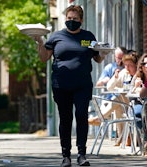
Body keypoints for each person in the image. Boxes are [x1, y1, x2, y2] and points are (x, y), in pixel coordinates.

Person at [34, 5, 106, 167]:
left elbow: (97, 58)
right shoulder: (56, 37)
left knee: (81, 116)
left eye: (74, 19)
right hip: (61, 85)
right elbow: (44, 58)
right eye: (69, 19)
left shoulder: (87, 37)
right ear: (65, 19)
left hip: (82, 85)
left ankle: (81, 154)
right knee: (65, 119)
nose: (71, 21)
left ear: (81, 20)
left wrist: (103, 54)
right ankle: (66, 155)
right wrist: (40, 42)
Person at [89, 52, 139, 146]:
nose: (127, 68)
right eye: (125, 65)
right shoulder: (124, 72)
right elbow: (109, 87)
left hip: (136, 102)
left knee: (119, 99)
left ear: (135, 65)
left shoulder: (139, 74)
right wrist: (115, 78)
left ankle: (100, 118)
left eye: (130, 65)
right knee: (119, 106)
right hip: (126, 103)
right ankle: (124, 138)